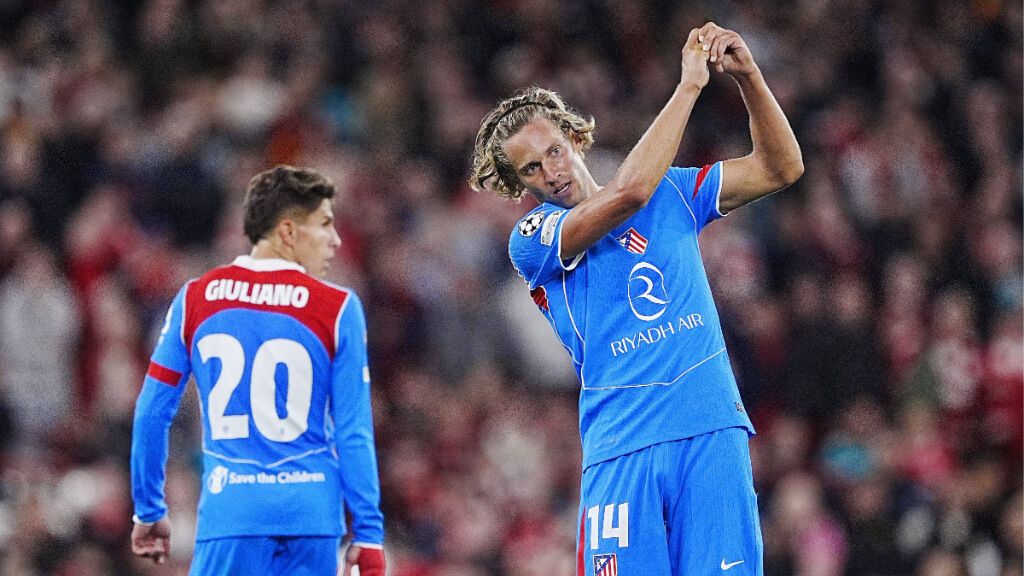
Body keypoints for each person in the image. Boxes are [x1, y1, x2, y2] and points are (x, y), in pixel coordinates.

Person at [469, 22, 802, 575]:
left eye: (554, 149)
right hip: (624, 445)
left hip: (710, 426)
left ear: (575, 139)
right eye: (530, 167)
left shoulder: (676, 191)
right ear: (517, 183)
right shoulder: (533, 241)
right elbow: (629, 193)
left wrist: (748, 78)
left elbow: (781, 167)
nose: (551, 172)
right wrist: (690, 85)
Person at [130, 166, 386, 576]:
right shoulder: (339, 308)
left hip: (232, 514)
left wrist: (149, 508)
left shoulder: (195, 299)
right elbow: (353, 430)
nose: (335, 240)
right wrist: (368, 534)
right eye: (323, 225)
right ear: (287, 232)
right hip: (312, 516)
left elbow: (151, 411)